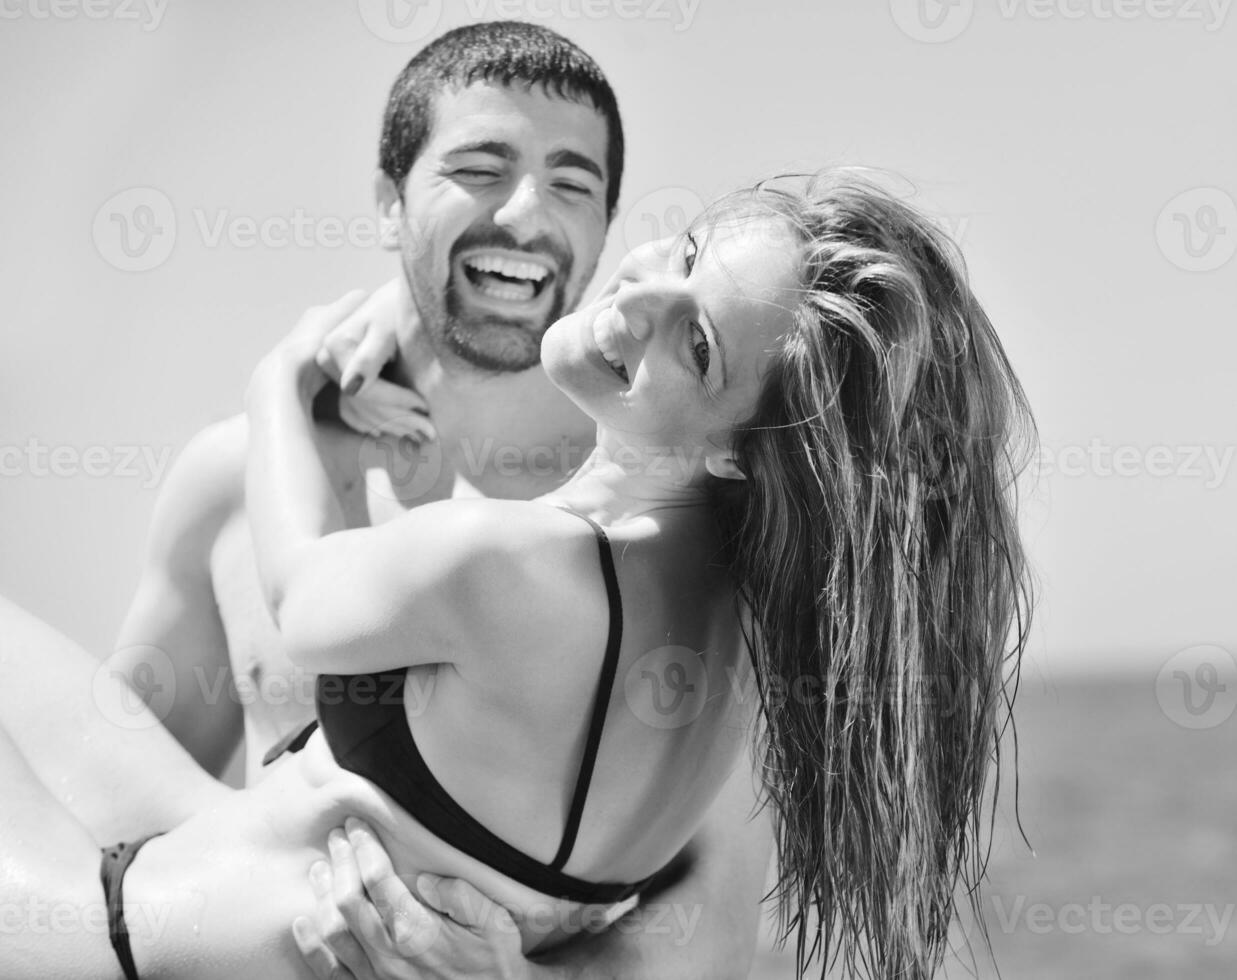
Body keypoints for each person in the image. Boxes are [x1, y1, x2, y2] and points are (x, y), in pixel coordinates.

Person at [0, 169, 1034, 980]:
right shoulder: (737, 641)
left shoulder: (517, 563)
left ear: (741, 450)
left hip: (111, 936)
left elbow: (304, 594)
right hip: (201, 865)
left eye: (699, 343)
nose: (641, 297)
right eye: (681, 253)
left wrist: (279, 382)